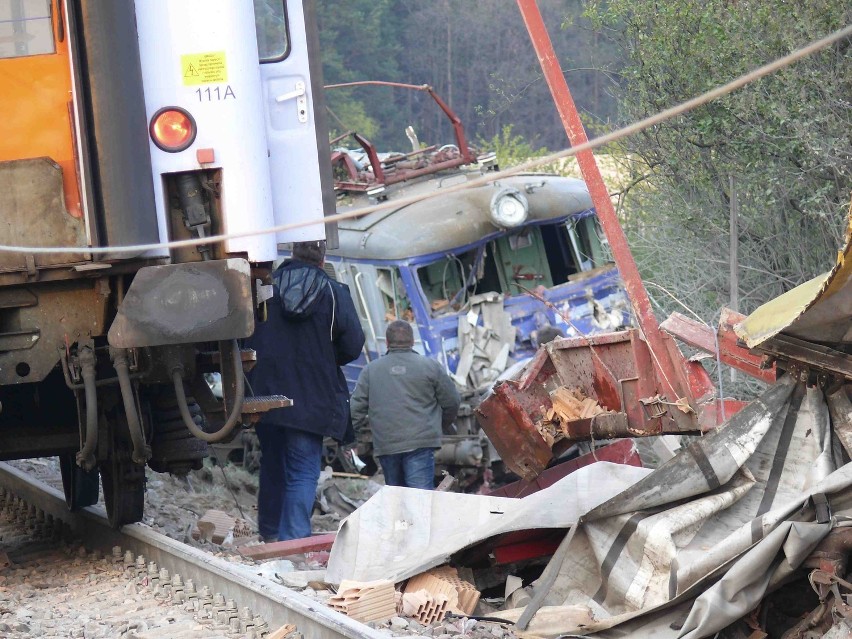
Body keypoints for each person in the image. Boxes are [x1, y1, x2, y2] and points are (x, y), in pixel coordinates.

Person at [246, 240, 364, 542]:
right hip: (311, 400)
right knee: (302, 470)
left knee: (272, 463)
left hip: (266, 396)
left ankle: (270, 534)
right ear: (322, 260)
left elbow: (243, 337)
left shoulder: (264, 291)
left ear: (291, 255)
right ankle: (294, 541)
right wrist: (324, 360)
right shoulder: (334, 294)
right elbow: (352, 344)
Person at [350, 320, 460, 489]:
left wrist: (350, 441)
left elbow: (355, 410)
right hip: (421, 442)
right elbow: (452, 402)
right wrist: (439, 425)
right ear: (412, 340)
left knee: (396, 498)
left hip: (387, 444)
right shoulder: (430, 367)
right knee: (419, 498)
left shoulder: (370, 371)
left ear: (387, 342)